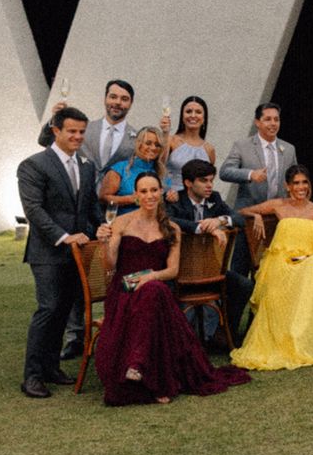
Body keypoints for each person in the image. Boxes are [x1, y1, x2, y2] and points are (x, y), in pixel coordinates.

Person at [92, 172, 252, 405]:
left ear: (161, 193)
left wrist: (149, 277)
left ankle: (138, 365)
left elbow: (172, 271)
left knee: (155, 290)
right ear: (136, 195)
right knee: (154, 293)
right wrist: (108, 243)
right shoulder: (121, 223)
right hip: (125, 289)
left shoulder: (172, 228)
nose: (149, 195)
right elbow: (110, 266)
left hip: (155, 289)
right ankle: (141, 368)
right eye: (144, 191)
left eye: (154, 190)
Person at [13, 106, 110, 398]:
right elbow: (34, 210)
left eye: (82, 132)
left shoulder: (86, 165)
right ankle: (32, 376)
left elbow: (90, 207)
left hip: (78, 253)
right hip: (47, 253)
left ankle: (52, 367)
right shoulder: (33, 165)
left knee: (65, 311)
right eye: (72, 131)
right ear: (56, 131)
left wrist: (100, 229)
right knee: (48, 309)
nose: (78, 137)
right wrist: (65, 237)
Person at [232, 165, 313, 371]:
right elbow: (241, 211)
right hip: (282, 261)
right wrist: (256, 216)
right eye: (296, 183)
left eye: (304, 182)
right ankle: (280, 337)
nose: (301, 187)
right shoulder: (279, 205)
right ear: (288, 186)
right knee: (280, 271)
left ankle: (302, 336)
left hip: (308, 260)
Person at [166, 157, 252, 347]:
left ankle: (224, 333)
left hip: (211, 271)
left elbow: (239, 218)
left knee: (243, 285)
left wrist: (220, 221)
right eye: (203, 181)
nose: (209, 185)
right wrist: (203, 227)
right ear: (188, 183)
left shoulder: (215, 199)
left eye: (211, 180)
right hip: (180, 271)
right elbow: (168, 221)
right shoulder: (175, 201)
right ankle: (174, 341)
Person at [222, 102, 298, 274]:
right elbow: (225, 172)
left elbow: (294, 179)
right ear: (257, 122)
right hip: (248, 217)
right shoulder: (242, 146)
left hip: (275, 219)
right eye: (268, 119)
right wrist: (250, 175)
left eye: (276, 120)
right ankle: (236, 300)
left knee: (272, 270)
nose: (273, 123)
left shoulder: (288, 149)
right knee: (240, 270)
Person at [99, 126, 166, 216]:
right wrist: (131, 199)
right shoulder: (119, 169)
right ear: (139, 144)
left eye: (157, 145)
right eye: (148, 143)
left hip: (153, 223)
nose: (153, 148)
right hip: (123, 223)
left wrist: (172, 196)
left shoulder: (162, 172)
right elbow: (103, 198)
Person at [162, 95, 217, 201]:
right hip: (170, 198)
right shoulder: (171, 140)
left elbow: (208, 179)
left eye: (198, 112)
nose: (193, 115)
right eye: (188, 111)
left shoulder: (209, 149)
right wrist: (165, 133)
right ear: (182, 116)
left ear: (204, 118)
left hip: (196, 204)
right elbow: (160, 164)